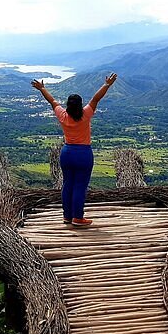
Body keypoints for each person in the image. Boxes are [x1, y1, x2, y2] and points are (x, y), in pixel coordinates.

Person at [31, 73, 118, 227]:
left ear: (68, 105)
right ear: (80, 105)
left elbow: (51, 101)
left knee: (68, 184)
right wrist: (107, 85)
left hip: (67, 153)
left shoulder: (63, 115)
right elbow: (96, 99)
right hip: (83, 154)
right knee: (80, 186)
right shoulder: (86, 114)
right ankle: (78, 217)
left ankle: (67, 216)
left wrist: (42, 89)